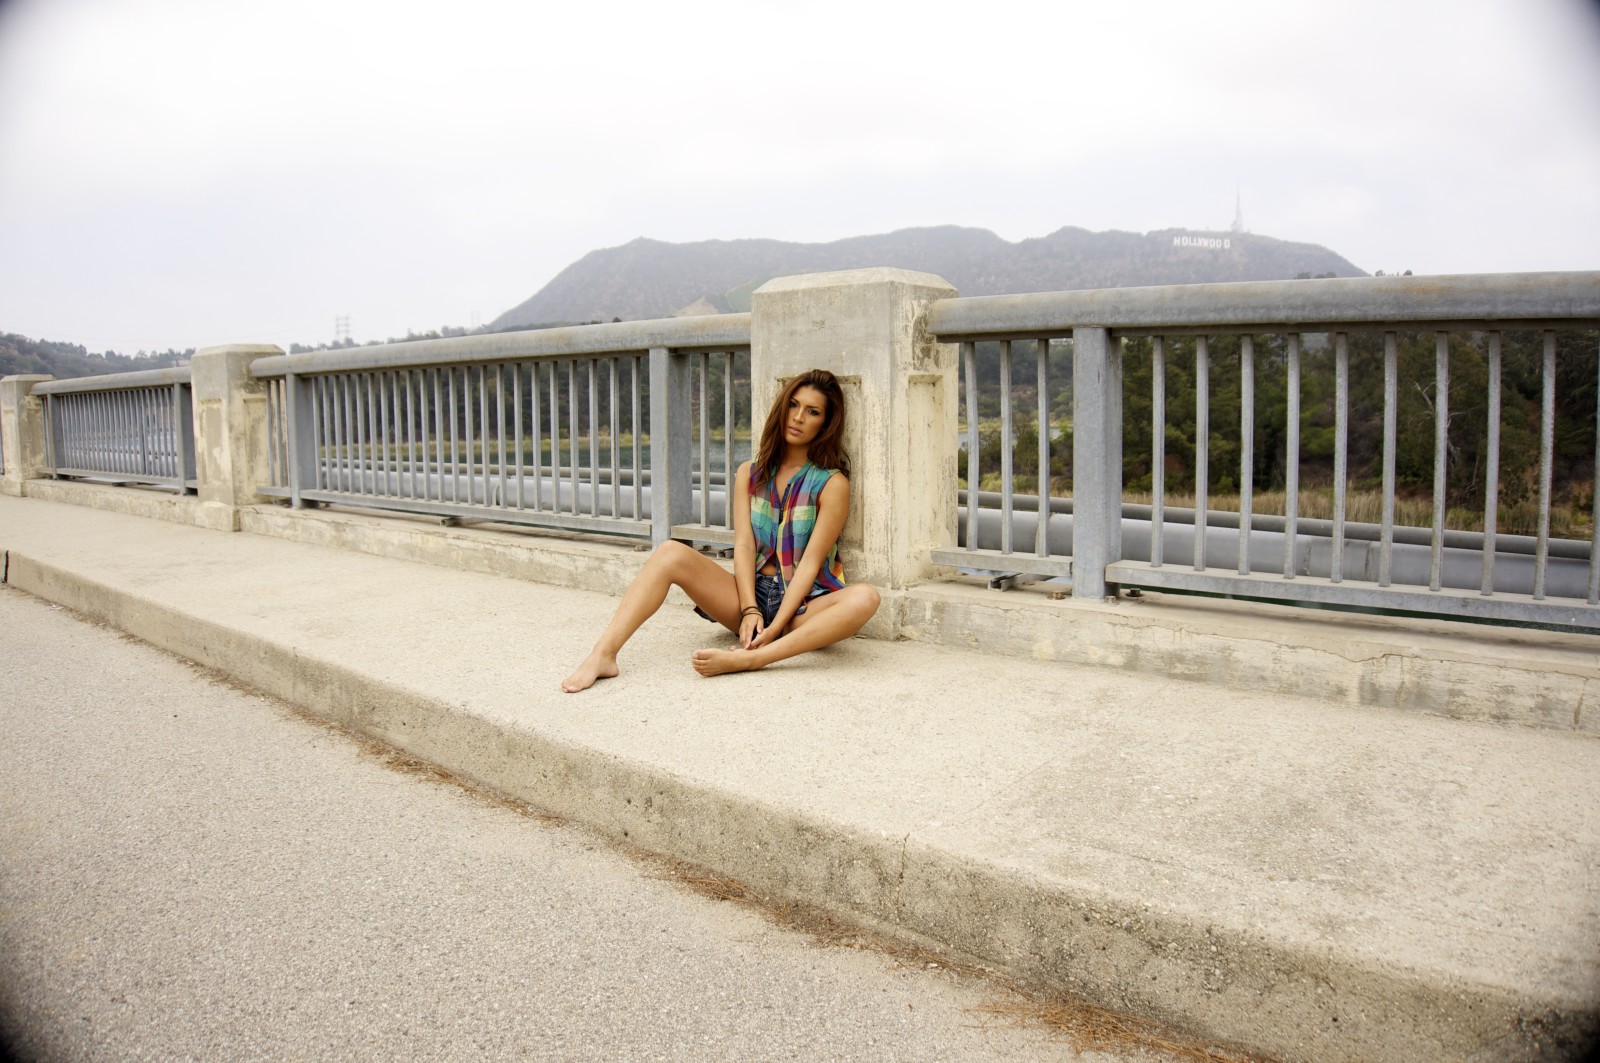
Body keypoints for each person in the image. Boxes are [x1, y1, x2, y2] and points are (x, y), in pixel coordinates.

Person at [561, 368, 880, 692]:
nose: (798, 417)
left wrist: (777, 625)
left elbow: (811, 563)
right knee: (670, 552)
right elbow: (742, 546)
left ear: (825, 424)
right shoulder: (750, 474)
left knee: (865, 598)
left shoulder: (831, 483)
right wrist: (749, 610)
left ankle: (756, 658)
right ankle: (603, 654)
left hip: (803, 608)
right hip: (748, 596)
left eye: (812, 412)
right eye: (794, 405)